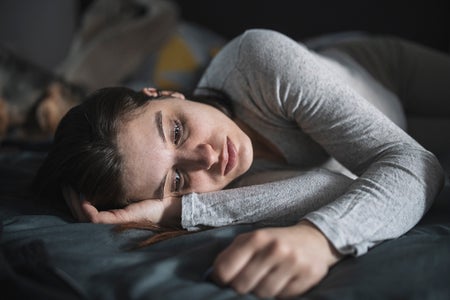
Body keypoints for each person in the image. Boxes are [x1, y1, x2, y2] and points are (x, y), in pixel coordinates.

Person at [34, 29, 449, 298]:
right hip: (391, 134)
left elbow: (413, 164)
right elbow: (337, 185)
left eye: (176, 131)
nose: (207, 159)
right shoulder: (216, 187)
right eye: (177, 179)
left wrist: (320, 239)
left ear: (164, 94)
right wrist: (178, 210)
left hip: (385, 72)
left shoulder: (259, 61)